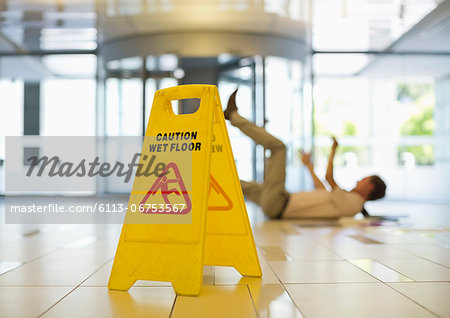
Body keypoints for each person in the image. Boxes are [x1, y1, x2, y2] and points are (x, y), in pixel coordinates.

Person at [224, 88, 386, 219]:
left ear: (370, 187)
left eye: (364, 180)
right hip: (278, 202)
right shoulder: (348, 200)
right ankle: (209, 179)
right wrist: (308, 166)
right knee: (244, 185)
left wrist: (333, 150)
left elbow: (329, 179)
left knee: (279, 148)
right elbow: (322, 188)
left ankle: (233, 116)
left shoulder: (354, 204)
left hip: (279, 204)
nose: (359, 180)